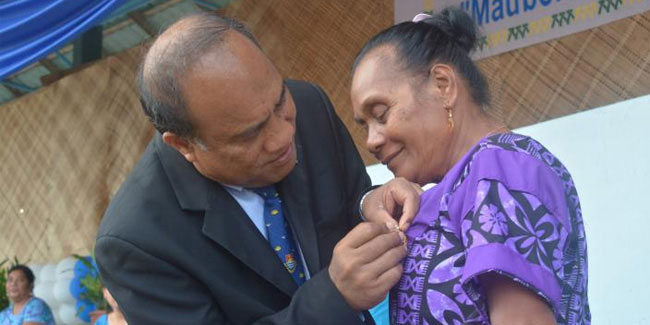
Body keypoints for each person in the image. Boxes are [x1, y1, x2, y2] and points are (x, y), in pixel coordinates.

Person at [95, 12, 408, 324]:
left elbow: (350, 200)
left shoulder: (310, 107)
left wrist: (372, 204)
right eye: (249, 134)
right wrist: (332, 298)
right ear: (184, 145)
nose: (283, 137)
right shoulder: (137, 241)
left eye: (279, 102)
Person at [351, 7, 590, 324]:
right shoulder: (468, 180)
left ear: (442, 85)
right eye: (364, 126)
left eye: (381, 114)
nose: (372, 141)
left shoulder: (497, 165)